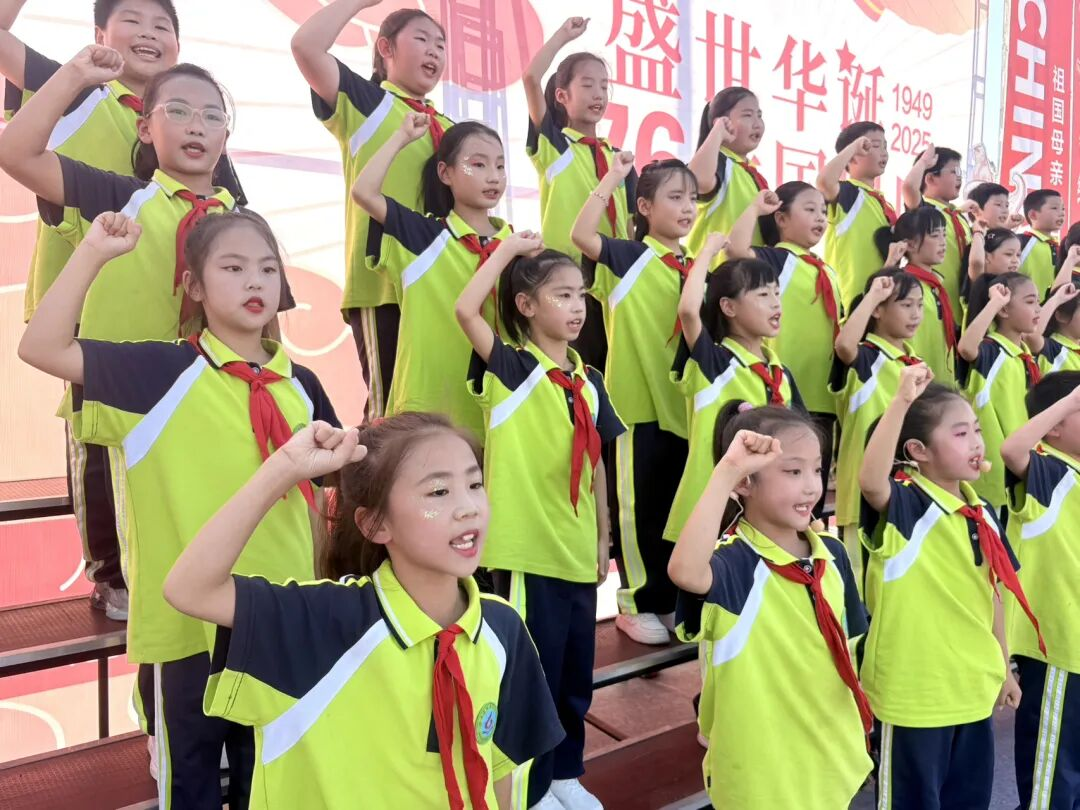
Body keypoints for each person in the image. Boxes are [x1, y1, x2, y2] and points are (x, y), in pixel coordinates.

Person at [18, 210, 339, 808]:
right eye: (233, 268)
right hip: (186, 628)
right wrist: (92, 252)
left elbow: (331, 493)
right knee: (190, 788)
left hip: (277, 615)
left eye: (268, 269)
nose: (255, 282)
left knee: (270, 788)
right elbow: (41, 346)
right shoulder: (157, 373)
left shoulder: (304, 384)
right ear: (193, 284)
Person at [163, 412, 565, 809]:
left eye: (475, 484)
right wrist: (285, 467)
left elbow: (498, 776)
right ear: (375, 524)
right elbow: (190, 589)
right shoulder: (323, 624)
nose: (468, 507)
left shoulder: (502, 628)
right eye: (439, 492)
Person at [0, 47, 259, 622]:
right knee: (126, 541)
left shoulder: (243, 224)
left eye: (212, 115)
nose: (196, 126)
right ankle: (114, 584)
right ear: (144, 127)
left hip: (212, 400)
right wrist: (74, 74)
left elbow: (268, 329)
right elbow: (16, 153)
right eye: (178, 111)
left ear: (226, 135)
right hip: (124, 395)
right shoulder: (117, 198)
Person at [457, 235, 625, 810]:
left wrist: (603, 540)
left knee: (575, 677)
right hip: (528, 552)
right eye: (561, 295)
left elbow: (597, 465)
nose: (577, 307)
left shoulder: (590, 380)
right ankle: (525, 788)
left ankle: (564, 774)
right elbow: (465, 310)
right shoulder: (512, 368)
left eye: (580, 295)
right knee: (531, 677)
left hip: (576, 552)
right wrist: (506, 252)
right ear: (526, 306)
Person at [668, 405, 871, 809]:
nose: (811, 486)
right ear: (745, 483)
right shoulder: (736, 564)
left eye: (817, 470)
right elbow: (685, 571)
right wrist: (727, 471)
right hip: (763, 775)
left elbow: (852, 642)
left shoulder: (831, 554)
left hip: (833, 760)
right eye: (793, 472)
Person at [859, 364, 1044, 809]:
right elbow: (870, 481)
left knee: (969, 800)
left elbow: (993, 594)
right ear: (918, 451)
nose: (977, 442)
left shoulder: (983, 513)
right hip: (915, 695)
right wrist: (901, 400)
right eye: (960, 434)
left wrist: (1002, 666)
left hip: (971, 688)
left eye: (976, 429)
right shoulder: (906, 506)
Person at [292, 0, 452, 421]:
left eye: (441, 44)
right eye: (421, 39)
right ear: (385, 48)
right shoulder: (367, 102)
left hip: (442, 283)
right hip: (383, 286)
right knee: (388, 414)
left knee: (434, 412)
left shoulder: (451, 130)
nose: (434, 51)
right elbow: (306, 46)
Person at [571, 157, 702, 646]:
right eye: (675, 197)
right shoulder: (628, 258)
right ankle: (636, 603)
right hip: (637, 407)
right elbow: (581, 234)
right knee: (639, 510)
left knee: (676, 509)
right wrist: (612, 177)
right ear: (644, 206)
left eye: (692, 198)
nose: (687, 207)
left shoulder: (696, 266)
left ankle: (672, 600)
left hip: (687, 407)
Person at [352, 113, 511, 441]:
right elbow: (364, 193)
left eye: (500, 166)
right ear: (445, 173)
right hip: (425, 415)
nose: (493, 176)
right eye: (478, 165)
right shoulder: (421, 237)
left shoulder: (518, 248)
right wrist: (401, 137)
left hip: (499, 414)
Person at [664, 248, 803, 545]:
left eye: (777, 293)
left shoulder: (782, 375)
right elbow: (688, 311)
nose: (775, 303)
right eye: (762, 294)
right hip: (711, 514)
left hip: (763, 515)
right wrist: (708, 249)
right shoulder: (714, 363)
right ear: (728, 306)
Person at [522, 15, 635, 369]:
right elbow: (530, 78)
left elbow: (631, 226)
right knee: (573, 367)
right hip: (568, 279)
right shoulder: (555, 146)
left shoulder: (619, 159)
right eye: (587, 85)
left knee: (611, 371)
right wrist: (562, 36)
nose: (598, 94)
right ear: (562, 95)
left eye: (604, 86)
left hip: (614, 279)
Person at [728, 185, 842, 510]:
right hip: (784, 394)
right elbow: (736, 249)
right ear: (781, 218)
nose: (820, 217)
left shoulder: (827, 270)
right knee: (776, 486)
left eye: (823, 212)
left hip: (823, 396)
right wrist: (754, 208)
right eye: (809, 209)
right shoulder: (777, 260)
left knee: (812, 487)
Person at [1000, 372, 1080, 810]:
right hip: (1059, 645)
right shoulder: (1048, 471)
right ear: (1054, 426)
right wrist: (1068, 401)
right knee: (1051, 780)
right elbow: (1012, 450)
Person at [829, 266, 922, 585]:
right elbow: (844, 345)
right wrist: (873, 296)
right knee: (861, 583)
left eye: (919, 305)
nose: (916, 313)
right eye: (906, 304)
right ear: (878, 310)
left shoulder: (916, 364)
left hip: (906, 490)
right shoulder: (865, 357)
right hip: (862, 494)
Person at [958, 274, 1075, 511]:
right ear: (1004, 310)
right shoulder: (992, 351)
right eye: (1030, 302)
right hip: (995, 469)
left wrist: (1055, 299)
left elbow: (1034, 333)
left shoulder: (1023, 354)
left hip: (1024, 461)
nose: (1037, 308)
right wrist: (995, 302)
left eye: (1038, 302)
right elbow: (966, 348)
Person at [818, 122, 896, 307]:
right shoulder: (848, 192)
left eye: (885, 146)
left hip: (881, 300)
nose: (884, 153)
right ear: (852, 157)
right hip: (849, 300)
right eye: (874, 146)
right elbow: (824, 182)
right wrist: (853, 148)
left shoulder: (885, 205)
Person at [686, 86, 767, 261]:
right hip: (712, 273)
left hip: (747, 275)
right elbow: (695, 183)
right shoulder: (719, 162)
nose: (757, 123)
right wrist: (717, 133)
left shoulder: (752, 175)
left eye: (759, 115)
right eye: (747, 115)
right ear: (722, 122)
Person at [873, 207, 954, 380]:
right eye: (935, 235)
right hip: (912, 380)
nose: (943, 242)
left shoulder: (935, 285)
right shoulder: (900, 286)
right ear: (910, 244)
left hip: (938, 379)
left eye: (944, 234)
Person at [902, 145, 972, 317]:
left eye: (960, 171)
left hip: (960, 310)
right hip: (931, 306)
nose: (959, 177)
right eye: (954, 171)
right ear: (931, 178)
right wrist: (924, 162)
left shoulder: (959, 217)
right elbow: (909, 187)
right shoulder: (924, 210)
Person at [1019, 189, 1067, 296]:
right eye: (1054, 208)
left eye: (1063, 209)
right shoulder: (1021, 242)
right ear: (1033, 215)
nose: (1062, 213)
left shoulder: (1061, 247)